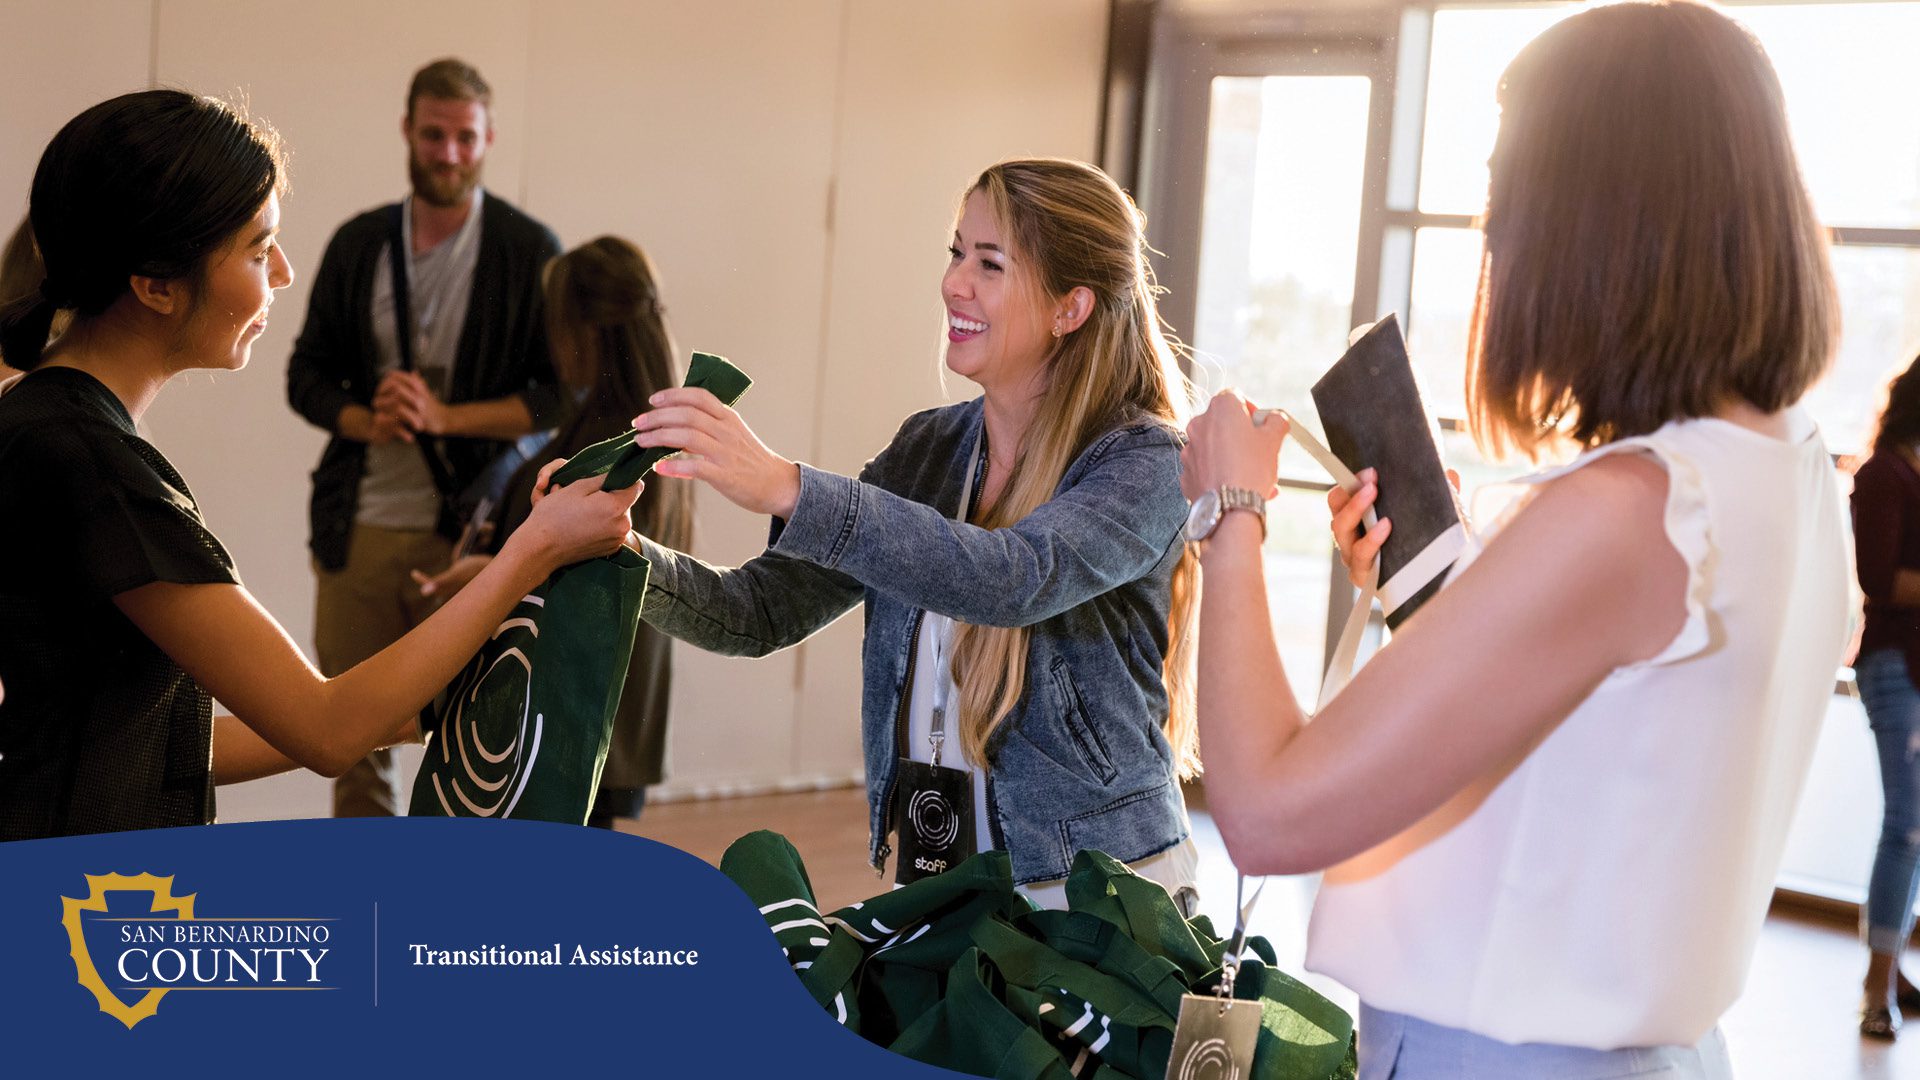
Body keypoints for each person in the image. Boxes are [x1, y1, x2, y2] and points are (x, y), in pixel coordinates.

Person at [1180, 2, 1845, 1075]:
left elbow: (1262, 811)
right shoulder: (1794, 465)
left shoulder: (1628, 507)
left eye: (1508, 196)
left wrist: (1231, 516)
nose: (1495, 235)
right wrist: (1454, 588)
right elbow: (1610, 738)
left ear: (1592, 222)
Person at [538, 158, 1201, 908]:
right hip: (941, 887)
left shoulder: (1147, 463)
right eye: (956, 253)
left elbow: (1013, 577)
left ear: (1069, 308)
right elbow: (757, 613)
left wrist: (788, 484)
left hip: (1104, 897)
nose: (955, 283)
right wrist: (619, 550)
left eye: (990, 263)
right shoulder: (928, 450)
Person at [0, 89, 638, 841]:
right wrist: (535, 551)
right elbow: (325, 730)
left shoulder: (51, 424)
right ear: (156, 284)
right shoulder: (90, 462)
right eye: (255, 246)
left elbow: (146, 746)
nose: (283, 272)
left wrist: (411, 711)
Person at [286, 58, 564, 818]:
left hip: (471, 534)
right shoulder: (357, 244)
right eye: (434, 134)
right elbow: (304, 374)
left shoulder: (529, 249)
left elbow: (558, 395)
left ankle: (446, 904)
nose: (448, 153)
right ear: (407, 131)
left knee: (476, 737)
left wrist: (447, 419)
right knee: (350, 744)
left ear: (490, 139)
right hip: (361, 531)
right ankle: (369, 910)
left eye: (465, 138)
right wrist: (363, 419)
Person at [413, 236, 695, 828]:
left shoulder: (604, 454)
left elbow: (561, 577)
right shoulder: (652, 435)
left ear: (583, 331)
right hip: (605, 712)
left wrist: (492, 571)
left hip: (564, 720)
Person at [1849, 356, 1920, 1039]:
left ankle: (1890, 967)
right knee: (1907, 825)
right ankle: (1877, 989)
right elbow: (1877, 577)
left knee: (1914, 827)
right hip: (1896, 665)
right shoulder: (1883, 476)